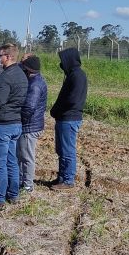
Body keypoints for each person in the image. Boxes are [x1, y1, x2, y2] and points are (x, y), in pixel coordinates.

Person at [0, 43, 28, 208]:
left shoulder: (5, 76)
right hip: (16, 123)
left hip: (2, 124)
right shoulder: (21, 74)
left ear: (8, 57)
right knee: (12, 161)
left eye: (0, 55)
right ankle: (13, 194)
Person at [49, 48, 87, 190]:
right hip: (64, 118)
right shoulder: (73, 74)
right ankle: (62, 177)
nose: (61, 64)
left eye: (63, 61)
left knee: (67, 151)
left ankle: (68, 180)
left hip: (69, 118)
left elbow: (72, 99)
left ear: (69, 60)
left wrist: (57, 109)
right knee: (61, 150)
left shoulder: (77, 76)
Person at [18, 55, 47, 193]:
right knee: (21, 154)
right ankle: (19, 180)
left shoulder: (35, 85)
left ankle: (28, 185)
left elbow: (29, 108)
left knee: (27, 157)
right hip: (30, 125)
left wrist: (20, 120)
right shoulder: (34, 79)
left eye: (24, 67)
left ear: (28, 70)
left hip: (30, 126)